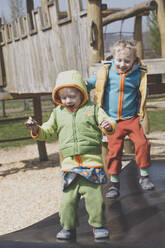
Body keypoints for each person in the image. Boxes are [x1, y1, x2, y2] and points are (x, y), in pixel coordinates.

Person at [25, 70, 116, 241]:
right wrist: (36, 129)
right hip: (70, 166)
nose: (68, 101)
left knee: (95, 200)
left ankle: (98, 227)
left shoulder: (93, 109)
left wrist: (108, 126)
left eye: (72, 96)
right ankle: (68, 228)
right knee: (67, 202)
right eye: (64, 97)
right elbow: (47, 131)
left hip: (92, 165)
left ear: (82, 92)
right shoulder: (58, 113)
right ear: (58, 98)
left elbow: (109, 122)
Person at [85, 40, 154, 199]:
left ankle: (144, 176)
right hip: (112, 121)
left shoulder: (138, 74)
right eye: (119, 60)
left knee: (143, 143)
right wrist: (84, 84)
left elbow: (143, 90)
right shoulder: (107, 72)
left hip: (131, 119)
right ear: (114, 58)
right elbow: (93, 82)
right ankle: (114, 184)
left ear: (134, 60)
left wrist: (142, 102)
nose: (122, 64)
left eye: (127, 61)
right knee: (114, 151)